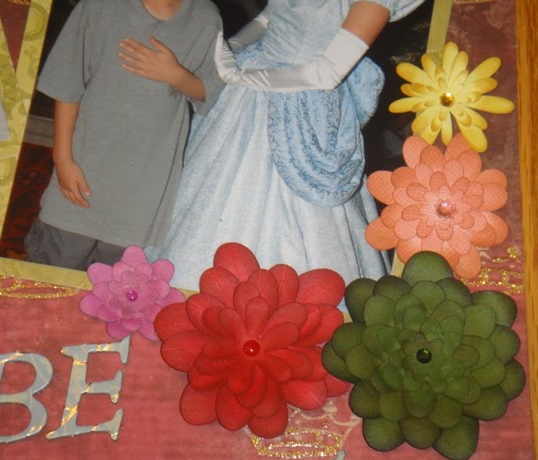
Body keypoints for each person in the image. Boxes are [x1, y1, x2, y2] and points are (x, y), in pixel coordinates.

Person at [144, 0, 426, 290]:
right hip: (250, 86)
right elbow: (268, 18)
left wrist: (242, 75)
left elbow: (328, 72)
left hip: (303, 103)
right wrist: (230, 49)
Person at [25, 0, 224, 270]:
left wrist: (176, 76)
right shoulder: (99, 7)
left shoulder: (205, 16)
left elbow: (210, 89)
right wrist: (62, 159)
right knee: (55, 267)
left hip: (143, 192)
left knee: (116, 283)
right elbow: (67, 82)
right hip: (84, 171)